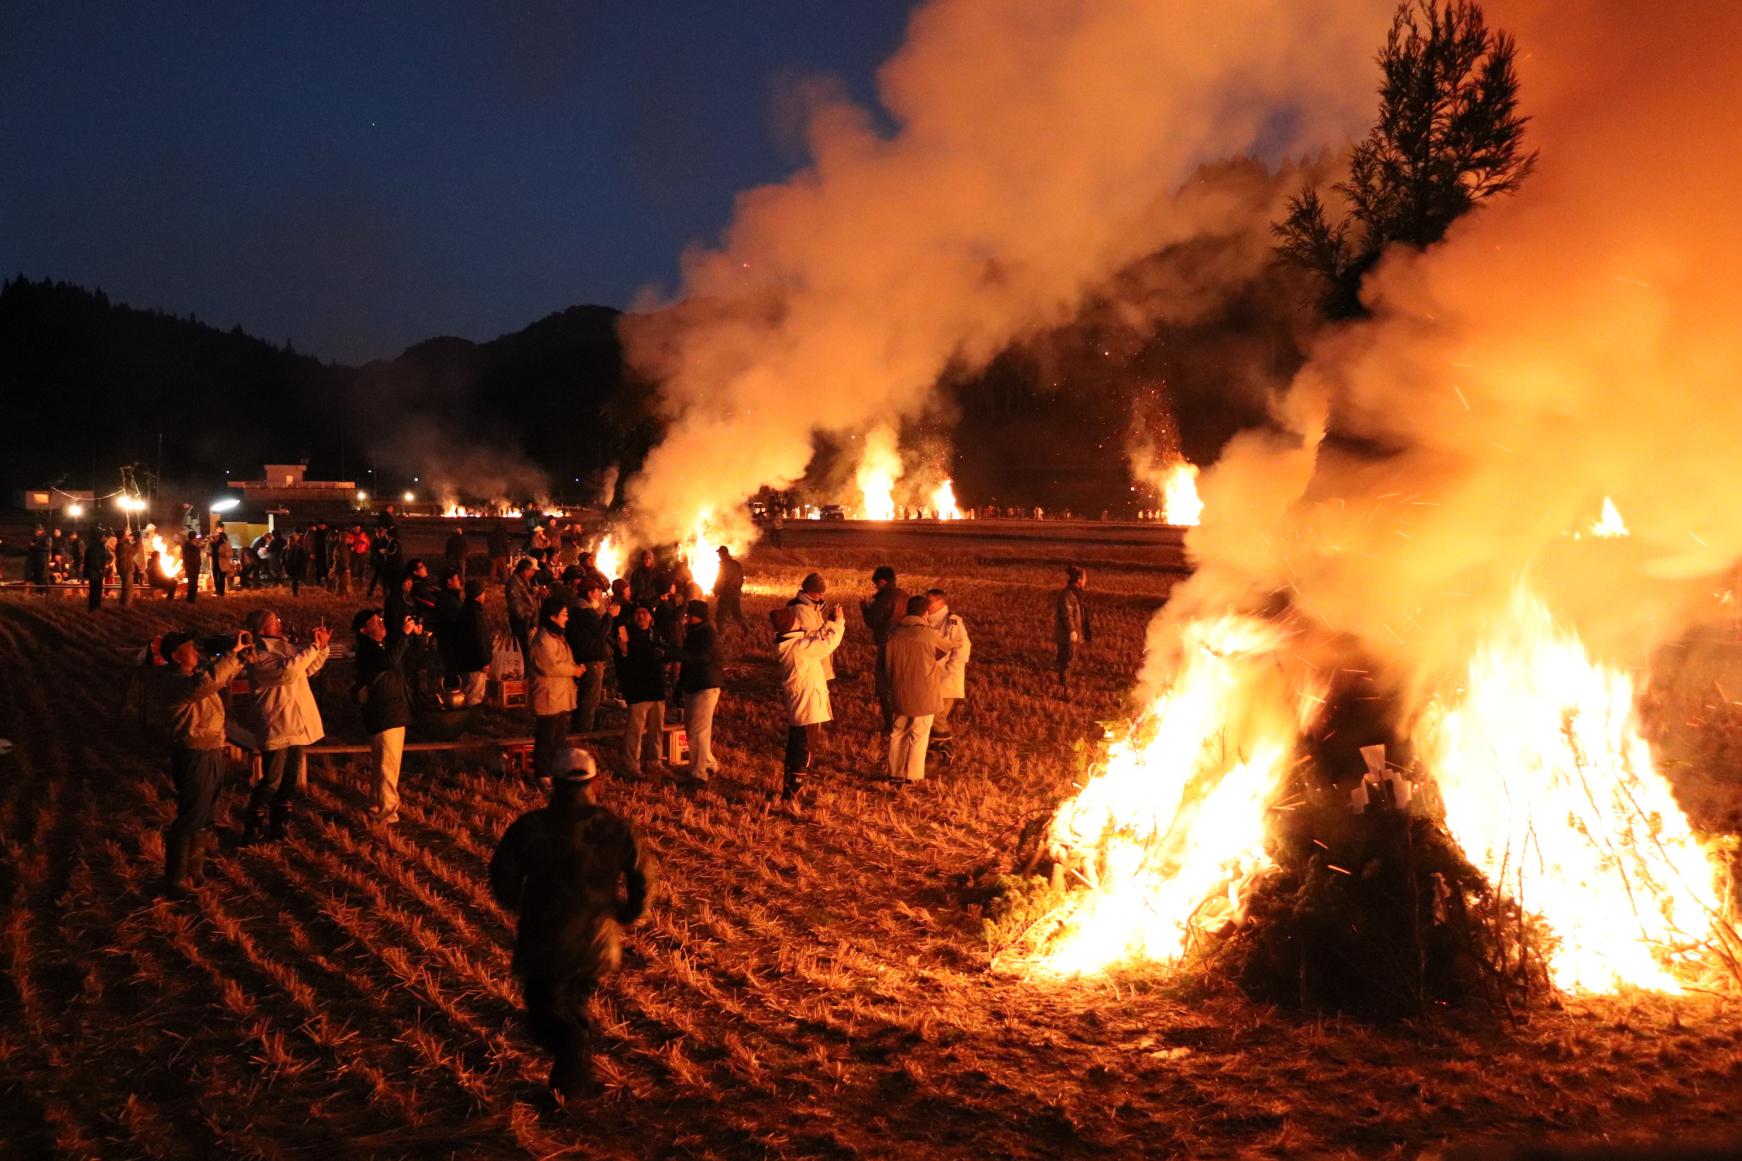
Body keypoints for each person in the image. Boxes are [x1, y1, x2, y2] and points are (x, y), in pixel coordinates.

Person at [489, 747, 654, 1101]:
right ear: (596, 782)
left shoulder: (530, 827)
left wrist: (517, 903)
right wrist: (630, 912)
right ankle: (573, 1080)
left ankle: (571, 1077)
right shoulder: (613, 826)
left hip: (545, 936)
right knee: (573, 1006)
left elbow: (502, 873)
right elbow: (642, 874)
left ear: (554, 783)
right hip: (597, 940)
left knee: (543, 1014)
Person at [157, 627, 251, 897]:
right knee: (191, 815)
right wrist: (232, 655)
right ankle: (175, 879)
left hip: (209, 750)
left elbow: (218, 678)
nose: (196, 652)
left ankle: (194, 872)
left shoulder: (192, 677)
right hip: (195, 753)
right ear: (176, 656)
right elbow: (209, 682)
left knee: (205, 814)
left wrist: (240, 659)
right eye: (189, 649)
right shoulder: (177, 683)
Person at [242, 611, 331, 843]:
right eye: (274, 621)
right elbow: (287, 672)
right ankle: (254, 825)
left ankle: (280, 825)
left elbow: (307, 669)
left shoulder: (286, 647)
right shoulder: (258, 654)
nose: (279, 624)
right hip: (278, 721)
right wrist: (312, 647)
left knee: (289, 779)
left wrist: (321, 649)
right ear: (261, 629)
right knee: (272, 778)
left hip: (296, 722)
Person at [771, 600, 845, 810]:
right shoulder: (799, 649)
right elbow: (827, 644)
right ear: (791, 625)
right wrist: (839, 622)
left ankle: (790, 790)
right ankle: (792, 794)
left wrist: (829, 622)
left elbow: (815, 638)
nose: (799, 621)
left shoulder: (792, 644)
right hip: (808, 707)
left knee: (798, 747)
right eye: (796, 620)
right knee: (804, 750)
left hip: (802, 705)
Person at [353, 608, 420, 825]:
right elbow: (389, 661)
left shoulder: (382, 647)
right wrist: (403, 635)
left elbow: (405, 661)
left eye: (381, 618)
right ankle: (385, 812)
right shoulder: (368, 651)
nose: (381, 622)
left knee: (386, 765)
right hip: (385, 712)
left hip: (393, 710)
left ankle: (378, 806)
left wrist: (413, 637)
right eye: (375, 621)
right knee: (386, 766)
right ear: (363, 630)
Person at [884, 595, 950, 785]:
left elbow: (885, 666)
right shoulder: (928, 634)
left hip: (899, 691)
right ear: (925, 612)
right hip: (924, 693)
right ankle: (913, 775)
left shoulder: (893, 634)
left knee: (897, 732)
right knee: (919, 734)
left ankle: (895, 773)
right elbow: (945, 648)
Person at [529, 597, 585, 782]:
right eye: (564, 615)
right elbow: (550, 666)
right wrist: (573, 670)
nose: (566, 618)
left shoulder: (557, 637)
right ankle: (543, 774)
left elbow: (563, 661)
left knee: (558, 738)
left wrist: (576, 667)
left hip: (559, 696)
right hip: (548, 696)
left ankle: (555, 770)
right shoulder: (543, 640)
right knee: (546, 737)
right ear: (552, 617)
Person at [615, 604, 667, 779]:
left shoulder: (657, 633)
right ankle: (631, 764)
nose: (642, 616)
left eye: (645, 613)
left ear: (651, 616)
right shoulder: (625, 633)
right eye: (638, 613)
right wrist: (623, 653)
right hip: (638, 688)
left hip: (657, 688)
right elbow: (621, 660)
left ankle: (655, 761)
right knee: (635, 730)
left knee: (656, 728)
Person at [923, 587, 971, 762]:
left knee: (937, 716)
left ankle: (946, 750)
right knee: (931, 716)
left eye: (929, 601)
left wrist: (949, 672)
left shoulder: (953, 622)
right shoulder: (926, 620)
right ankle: (935, 754)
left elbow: (962, 649)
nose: (926, 604)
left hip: (946, 681)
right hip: (930, 678)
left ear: (941, 602)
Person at [677, 600, 723, 782]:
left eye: (690, 615)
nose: (687, 618)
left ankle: (698, 774)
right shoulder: (697, 631)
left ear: (698, 616)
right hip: (696, 684)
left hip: (705, 686)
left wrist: (678, 655)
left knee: (697, 732)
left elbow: (701, 657)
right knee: (696, 729)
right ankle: (709, 763)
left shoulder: (706, 634)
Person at [859, 566, 909, 733]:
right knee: (901, 682)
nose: (876, 588)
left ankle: (889, 725)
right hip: (903, 643)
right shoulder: (903, 595)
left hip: (886, 643)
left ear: (882, 581)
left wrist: (865, 608)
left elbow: (872, 621)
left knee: (883, 686)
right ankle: (904, 720)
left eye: (876, 585)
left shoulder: (885, 597)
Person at [566, 580, 613, 732]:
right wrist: (609, 615)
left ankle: (579, 729)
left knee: (584, 697)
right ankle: (583, 734)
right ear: (589, 593)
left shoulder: (576, 608)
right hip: (591, 658)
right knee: (589, 700)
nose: (599, 595)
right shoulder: (585, 612)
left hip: (583, 656)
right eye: (597, 591)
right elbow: (600, 631)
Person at [453, 578, 493, 706]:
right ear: (478, 595)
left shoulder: (467, 609)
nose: (485, 595)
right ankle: (471, 720)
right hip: (474, 663)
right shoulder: (474, 614)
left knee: (469, 691)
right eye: (483, 592)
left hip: (468, 661)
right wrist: (484, 661)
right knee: (474, 695)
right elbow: (478, 639)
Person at [1055, 564, 1092, 691]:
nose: (1086, 581)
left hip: (1074, 634)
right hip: (1067, 636)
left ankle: (1064, 684)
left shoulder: (1076, 594)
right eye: (1085, 578)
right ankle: (1064, 687)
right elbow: (1067, 614)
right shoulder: (1068, 595)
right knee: (1067, 661)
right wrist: (1072, 631)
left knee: (1071, 660)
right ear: (1079, 579)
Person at [506, 557, 540, 659]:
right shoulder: (513, 582)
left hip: (526, 620)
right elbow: (514, 603)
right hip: (521, 621)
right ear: (525, 570)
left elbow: (526, 593)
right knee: (522, 647)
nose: (532, 574)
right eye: (530, 571)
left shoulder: (522, 579)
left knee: (525, 646)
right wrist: (525, 616)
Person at [712, 546, 747, 631]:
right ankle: (746, 630)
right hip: (736, 593)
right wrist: (737, 589)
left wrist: (716, 590)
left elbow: (720, 579)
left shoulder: (724, 565)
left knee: (720, 615)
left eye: (719, 553)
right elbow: (742, 578)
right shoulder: (736, 564)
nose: (719, 555)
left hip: (727, 593)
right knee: (737, 614)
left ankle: (721, 634)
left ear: (722, 554)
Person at [82, 527, 110, 610]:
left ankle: (96, 607)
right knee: (95, 591)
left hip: (97, 572)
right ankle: (94, 608)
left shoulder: (100, 546)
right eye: (104, 536)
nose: (105, 538)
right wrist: (100, 568)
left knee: (97, 591)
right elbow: (94, 559)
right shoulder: (94, 546)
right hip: (95, 572)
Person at [210, 524, 234, 597]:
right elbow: (208, 550)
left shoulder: (225, 543)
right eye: (213, 537)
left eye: (215, 537)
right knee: (215, 577)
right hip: (214, 563)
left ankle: (221, 592)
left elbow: (230, 553)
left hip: (222, 563)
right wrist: (208, 554)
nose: (214, 538)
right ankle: (217, 591)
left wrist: (224, 555)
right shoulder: (210, 543)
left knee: (221, 578)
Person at [284, 530, 309, 597]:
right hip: (290, 567)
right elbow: (284, 558)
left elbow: (302, 559)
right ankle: (295, 593)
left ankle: (296, 594)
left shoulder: (298, 549)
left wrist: (301, 567)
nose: (289, 542)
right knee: (293, 581)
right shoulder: (287, 549)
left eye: (291, 541)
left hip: (296, 568)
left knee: (295, 581)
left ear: (294, 541)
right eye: (288, 540)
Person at [181, 531, 204, 602]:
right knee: (193, 583)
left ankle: (190, 598)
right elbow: (194, 558)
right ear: (193, 538)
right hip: (193, 568)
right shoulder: (192, 547)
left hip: (191, 567)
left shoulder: (187, 546)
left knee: (192, 583)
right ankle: (191, 599)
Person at [117, 529, 136, 607]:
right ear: (122, 536)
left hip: (124, 567)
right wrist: (138, 540)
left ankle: (123, 604)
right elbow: (135, 551)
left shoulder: (121, 544)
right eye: (125, 535)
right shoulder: (123, 546)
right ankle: (126, 605)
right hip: (126, 568)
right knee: (127, 588)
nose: (127, 536)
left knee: (125, 587)